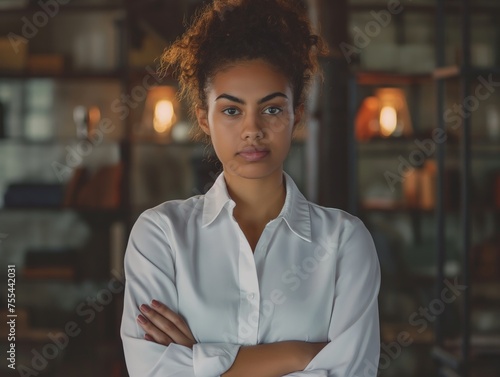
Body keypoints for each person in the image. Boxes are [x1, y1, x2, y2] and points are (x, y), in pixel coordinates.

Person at [120, 0, 381, 376]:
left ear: (298, 116)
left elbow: (352, 372)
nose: (252, 129)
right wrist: (301, 356)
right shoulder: (160, 235)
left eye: (272, 109)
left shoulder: (344, 242)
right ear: (204, 119)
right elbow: (152, 371)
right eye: (231, 110)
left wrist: (198, 359)